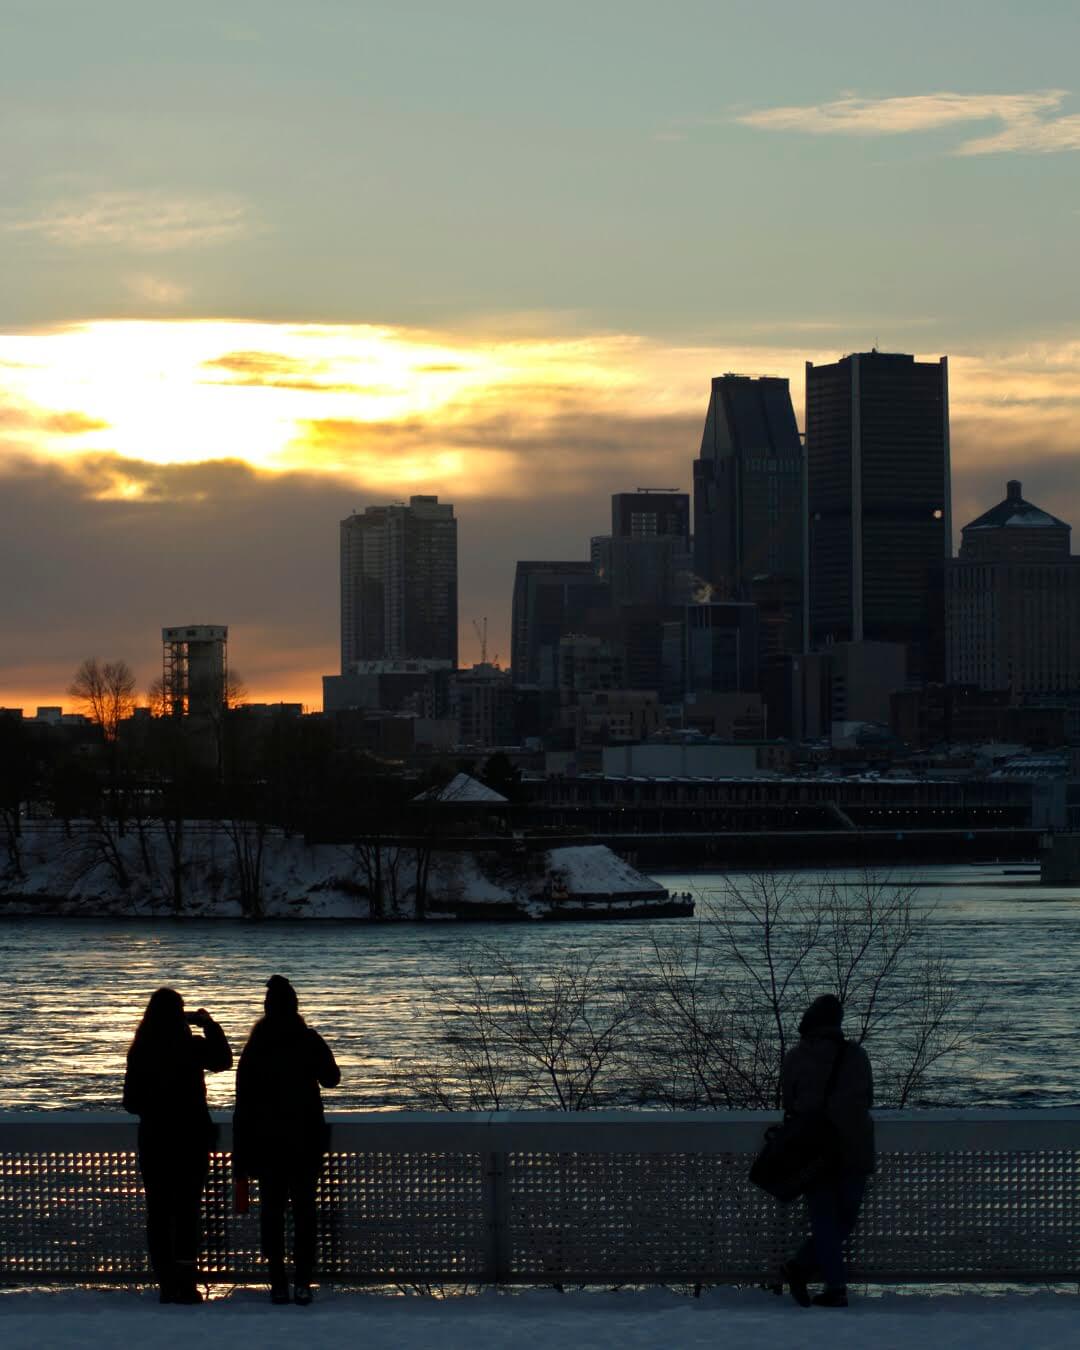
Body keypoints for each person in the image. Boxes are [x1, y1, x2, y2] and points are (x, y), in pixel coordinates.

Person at [232, 975, 341, 1306]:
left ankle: (278, 1281)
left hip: (267, 1145)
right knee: (306, 1214)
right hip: (304, 1143)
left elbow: (243, 1104)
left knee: (272, 1214)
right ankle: (303, 1282)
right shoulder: (306, 1040)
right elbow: (332, 1078)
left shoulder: (256, 1047)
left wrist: (241, 1156)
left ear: (266, 1009)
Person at [123, 988, 232, 1304]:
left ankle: (166, 1282)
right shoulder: (191, 1047)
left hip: (156, 1142)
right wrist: (208, 1024)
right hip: (191, 1141)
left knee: (158, 1212)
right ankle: (186, 1283)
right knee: (187, 1212)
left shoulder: (141, 1050)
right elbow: (223, 1060)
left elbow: (130, 1102)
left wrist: (156, 1107)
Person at [779, 994, 874, 1309]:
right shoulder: (857, 1056)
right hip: (855, 1146)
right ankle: (827, 1282)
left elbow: (790, 1103)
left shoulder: (796, 1057)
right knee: (844, 1219)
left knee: (823, 1217)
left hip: (814, 1149)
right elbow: (867, 1099)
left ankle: (808, 1271)